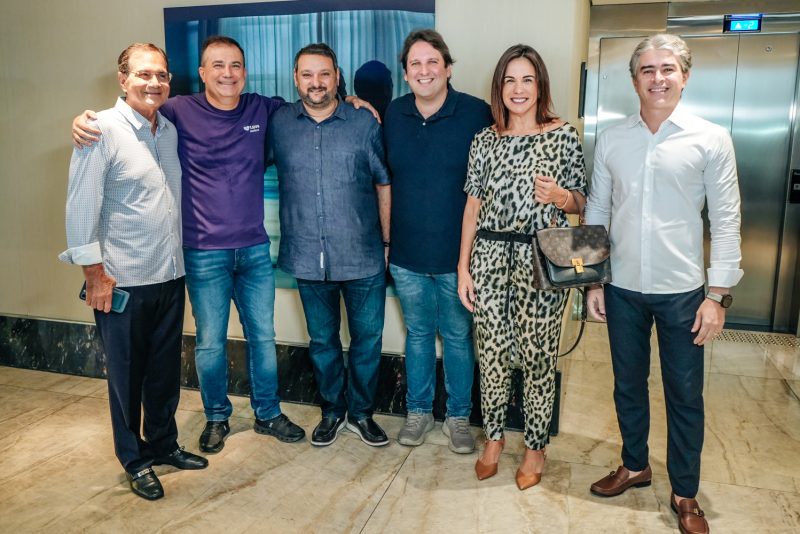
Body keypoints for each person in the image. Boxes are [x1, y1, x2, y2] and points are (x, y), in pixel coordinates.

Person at [71, 36, 376, 453]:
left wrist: (352, 100)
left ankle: (268, 413)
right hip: (202, 253)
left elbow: (315, 103)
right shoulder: (177, 111)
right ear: (201, 73)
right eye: (217, 65)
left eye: (235, 65)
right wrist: (85, 120)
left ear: (245, 72)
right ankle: (217, 416)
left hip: (253, 250)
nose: (227, 74)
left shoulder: (263, 109)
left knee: (263, 337)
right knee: (211, 342)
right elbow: (135, 110)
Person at [585, 34, 742, 534]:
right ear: (635, 80)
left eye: (667, 68)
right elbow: (598, 211)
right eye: (648, 70)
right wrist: (592, 282)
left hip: (684, 293)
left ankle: (685, 492)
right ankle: (635, 465)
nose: (658, 78)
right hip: (622, 288)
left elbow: (726, 219)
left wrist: (717, 295)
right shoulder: (613, 139)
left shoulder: (710, 138)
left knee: (685, 394)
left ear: (685, 76)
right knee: (627, 385)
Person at [59, 43, 208, 501]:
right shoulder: (99, 130)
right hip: (121, 282)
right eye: (143, 74)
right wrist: (94, 275)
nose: (153, 82)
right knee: (126, 378)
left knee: (163, 372)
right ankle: (135, 459)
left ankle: (163, 444)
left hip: (169, 274)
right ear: (123, 79)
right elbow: (81, 209)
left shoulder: (168, 131)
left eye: (161, 75)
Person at [457, 44, 586, 490]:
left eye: (527, 79)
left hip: (542, 257)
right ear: (499, 87)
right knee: (491, 352)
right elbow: (472, 208)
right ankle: (493, 438)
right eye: (510, 80)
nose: (518, 89)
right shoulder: (484, 139)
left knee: (537, 356)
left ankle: (535, 446)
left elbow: (583, 203)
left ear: (539, 85)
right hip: (490, 256)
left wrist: (560, 197)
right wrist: (463, 268)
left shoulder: (563, 135)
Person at [269, 43, 391, 447]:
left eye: (324, 73)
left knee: (367, 340)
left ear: (338, 76)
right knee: (322, 342)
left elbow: (383, 182)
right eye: (307, 74)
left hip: (363, 255)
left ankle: (362, 414)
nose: (316, 82)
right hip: (307, 255)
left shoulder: (363, 122)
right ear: (295, 78)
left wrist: (387, 241)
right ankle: (333, 412)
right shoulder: (279, 122)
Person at [384, 29, 492, 453]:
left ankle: (458, 417)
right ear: (405, 73)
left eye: (433, 62)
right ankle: (418, 411)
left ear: (448, 68)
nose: (424, 70)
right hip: (407, 256)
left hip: (458, 259)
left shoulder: (476, 113)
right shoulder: (393, 114)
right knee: (418, 334)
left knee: (458, 336)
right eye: (415, 63)